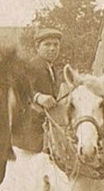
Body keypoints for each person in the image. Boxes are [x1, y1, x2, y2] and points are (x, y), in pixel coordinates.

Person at [11, 26, 71, 154]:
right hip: (30, 132)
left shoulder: (52, 69)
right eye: (47, 44)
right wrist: (38, 97)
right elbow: (18, 88)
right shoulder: (31, 66)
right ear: (37, 48)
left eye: (56, 45)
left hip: (45, 128)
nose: (52, 48)